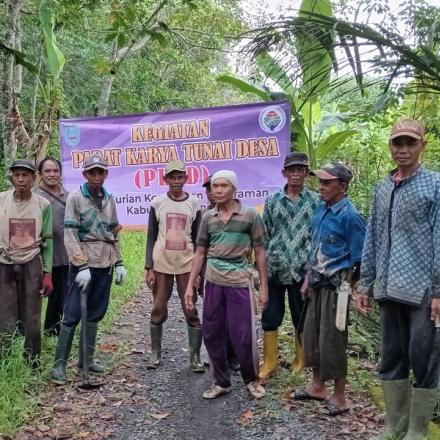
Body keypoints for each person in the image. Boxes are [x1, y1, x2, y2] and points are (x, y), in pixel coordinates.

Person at [356, 119, 440, 440]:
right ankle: (395, 425)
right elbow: (373, 238)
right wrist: (365, 284)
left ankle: (418, 431)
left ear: (422, 146)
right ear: (390, 146)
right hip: (388, 289)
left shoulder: (434, 185)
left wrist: (438, 290)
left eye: (410, 143)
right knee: (391, 356)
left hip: (422, 292)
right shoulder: (383, 187)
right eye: (397, 143)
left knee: (424, 358)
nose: (403, 149)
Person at [184, 170, 269, 400]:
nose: (217, 190)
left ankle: (252, 380)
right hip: (213, 281)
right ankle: (221, 381)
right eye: (214, 186)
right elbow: (200, 252)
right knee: (212, 332)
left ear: (234, 188)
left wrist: (264, 288)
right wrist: (190, 285)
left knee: (243, 334)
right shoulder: (207, 217)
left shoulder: (250, 216)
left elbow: (260, 251)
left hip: (239, 281)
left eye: (223, 186)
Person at [294, 163, 365, 416]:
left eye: (327, 183)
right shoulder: (321, 210)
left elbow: (360, 259)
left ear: (343, 186)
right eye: (320, 182)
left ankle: (340, 396)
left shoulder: (350, 216)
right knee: (313, 335)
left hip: (337, 288)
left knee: (333, 340)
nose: (321, 187)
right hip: (316, 284)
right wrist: (306, 280)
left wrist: (351, 288)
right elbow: (315, 248)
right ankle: (317, 386)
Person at [52, 155, 126, 384]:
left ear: (105, 174)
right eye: (92, 172)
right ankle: (59, 366)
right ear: (85, 174)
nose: (96, 176)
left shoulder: (109, 199)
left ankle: (87, 359)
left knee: (95, 312)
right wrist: (80, 263)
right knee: (73, 313)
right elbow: (70, 234)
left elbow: (114, 231)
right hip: (83, 264)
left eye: (100, 172)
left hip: (105, 262)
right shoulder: (76, 197)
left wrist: (120, 262)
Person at [260, 152, 319, 379]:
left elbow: (317, 237)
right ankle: (269, 362)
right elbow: (264, 236)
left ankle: (300, 361)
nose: (295, 174)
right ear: (284, 173)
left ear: (306, 173)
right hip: (276, 266)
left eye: (300, 170)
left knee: (301, 315)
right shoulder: (273, 201)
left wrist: (313, 269)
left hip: (302, 269)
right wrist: (261, 269)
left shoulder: (315, 201)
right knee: (270, 315)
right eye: (291, 170)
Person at [145, 160, 203, 372]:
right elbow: (151, 236)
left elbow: (198, 239)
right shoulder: (158, 202)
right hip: (162, 264)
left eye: (180, 177)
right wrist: (149, 267)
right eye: (172, 177)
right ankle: (155, 353)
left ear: (186, 179)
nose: (176, 181)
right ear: (166, 179)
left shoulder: (195, 203)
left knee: (191, 309)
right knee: (158, 308)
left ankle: (195, 357)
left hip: (187, 264)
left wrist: (199, 272)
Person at [0, 159, 53, 366]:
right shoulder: (2, 200)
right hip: (4, 261)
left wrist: (47, 273)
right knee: (5, 315)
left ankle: (32, 362)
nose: (20, 179)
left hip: (32, 263)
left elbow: (48, 241)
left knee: (32, 316)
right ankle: (5, 362)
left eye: (25, 175)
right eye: (17, 175)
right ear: (12, 177)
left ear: (34, 178)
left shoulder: (43, 205)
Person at [200, 175, 239, 372]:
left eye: (220, 187)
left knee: (232, 317)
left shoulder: (239, 214)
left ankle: (233, 357)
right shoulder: (203, 215)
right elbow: (198, 249)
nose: (213, 192)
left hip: (233, 275)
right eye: (209, 189)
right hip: (208, 273)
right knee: (213, 318)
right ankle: (215, 356)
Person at [34, 157, 69, 336]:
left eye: (55, 171)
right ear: (40, 174)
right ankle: (25, 333)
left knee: (58, 298)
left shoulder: (69, 197)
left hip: (63, 256)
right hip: (36, 257)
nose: (52, 174)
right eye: (47, 171)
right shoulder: (33, 196)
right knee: (32, 296)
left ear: (60, 173)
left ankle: (52, 331)